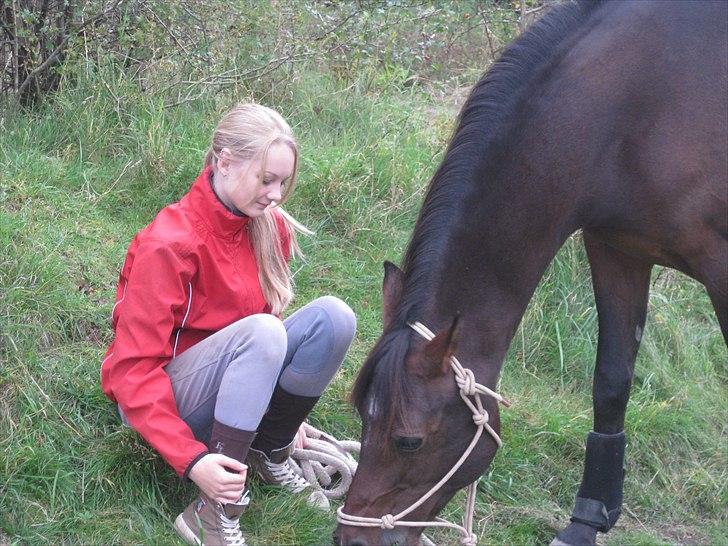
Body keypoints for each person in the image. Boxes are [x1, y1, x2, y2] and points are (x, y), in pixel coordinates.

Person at [100, 103, 357, 545]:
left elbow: (262, 340)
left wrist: (282, 418)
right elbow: (131, 371)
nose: (276, 194)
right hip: (164, 403)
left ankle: (268, 449)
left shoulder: (268, 227)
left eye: (283, 182)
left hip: (229, 384)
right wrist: (193, 460)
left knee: (334, 318)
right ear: (223, 161)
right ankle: (214, 510)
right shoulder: (169, 244)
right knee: (264, 330)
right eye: (266, 179)